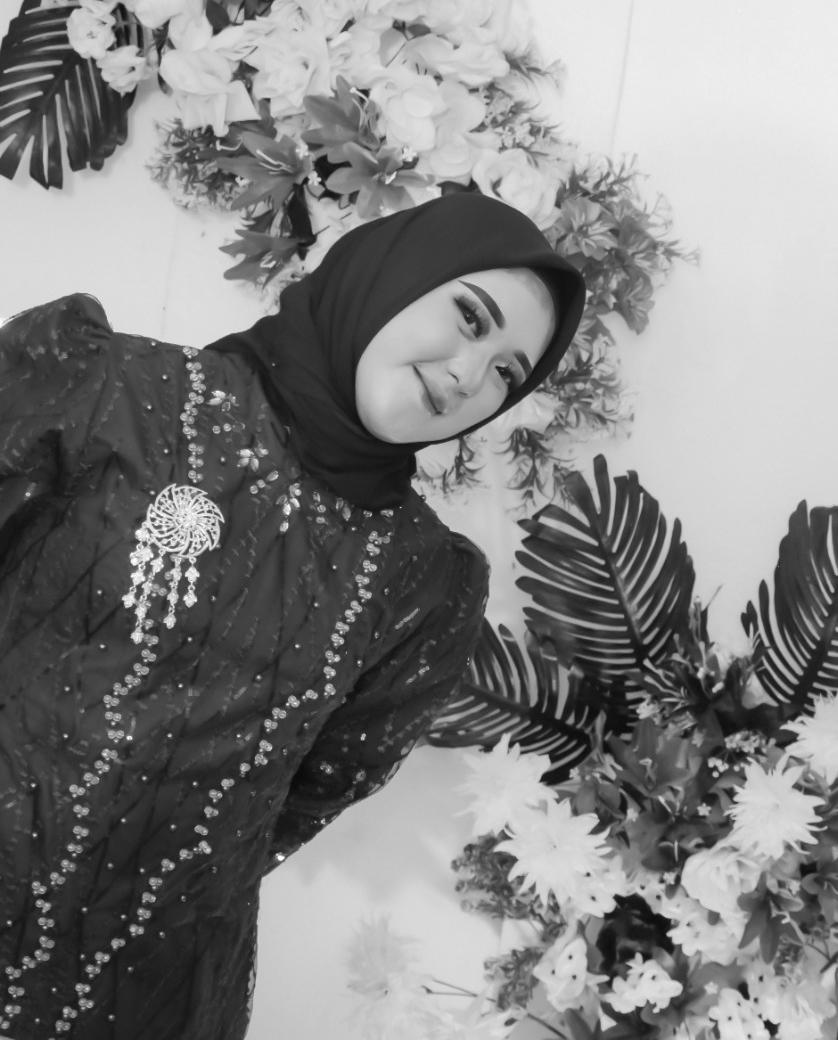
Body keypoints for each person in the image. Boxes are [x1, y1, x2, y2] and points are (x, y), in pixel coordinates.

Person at [0, 192, 585, 1039]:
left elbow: (299, 802)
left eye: (506, 373)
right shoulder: (107, 390)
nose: (468, 375)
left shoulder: (424, 584)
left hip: (146, 1000)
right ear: (389, 276)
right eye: (469, 317)